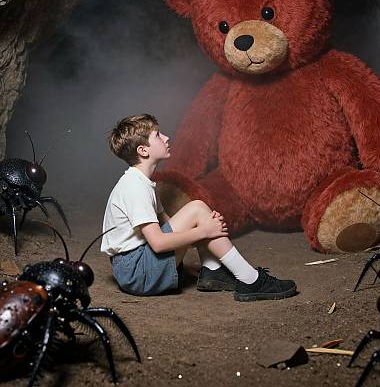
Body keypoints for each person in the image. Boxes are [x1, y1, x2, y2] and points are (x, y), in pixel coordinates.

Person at [101, 113, 297, 302]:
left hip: (137, 266)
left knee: (199, 211)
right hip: (137, 273)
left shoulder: (142, 182)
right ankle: (250, 280)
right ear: (143, 150)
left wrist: (204, 227)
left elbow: (169, 225)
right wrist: (204, 230)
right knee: (196, 209)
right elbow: (159, 243)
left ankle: (212, 271)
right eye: (158, 135)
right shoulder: (135, 188)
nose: (166, 137)